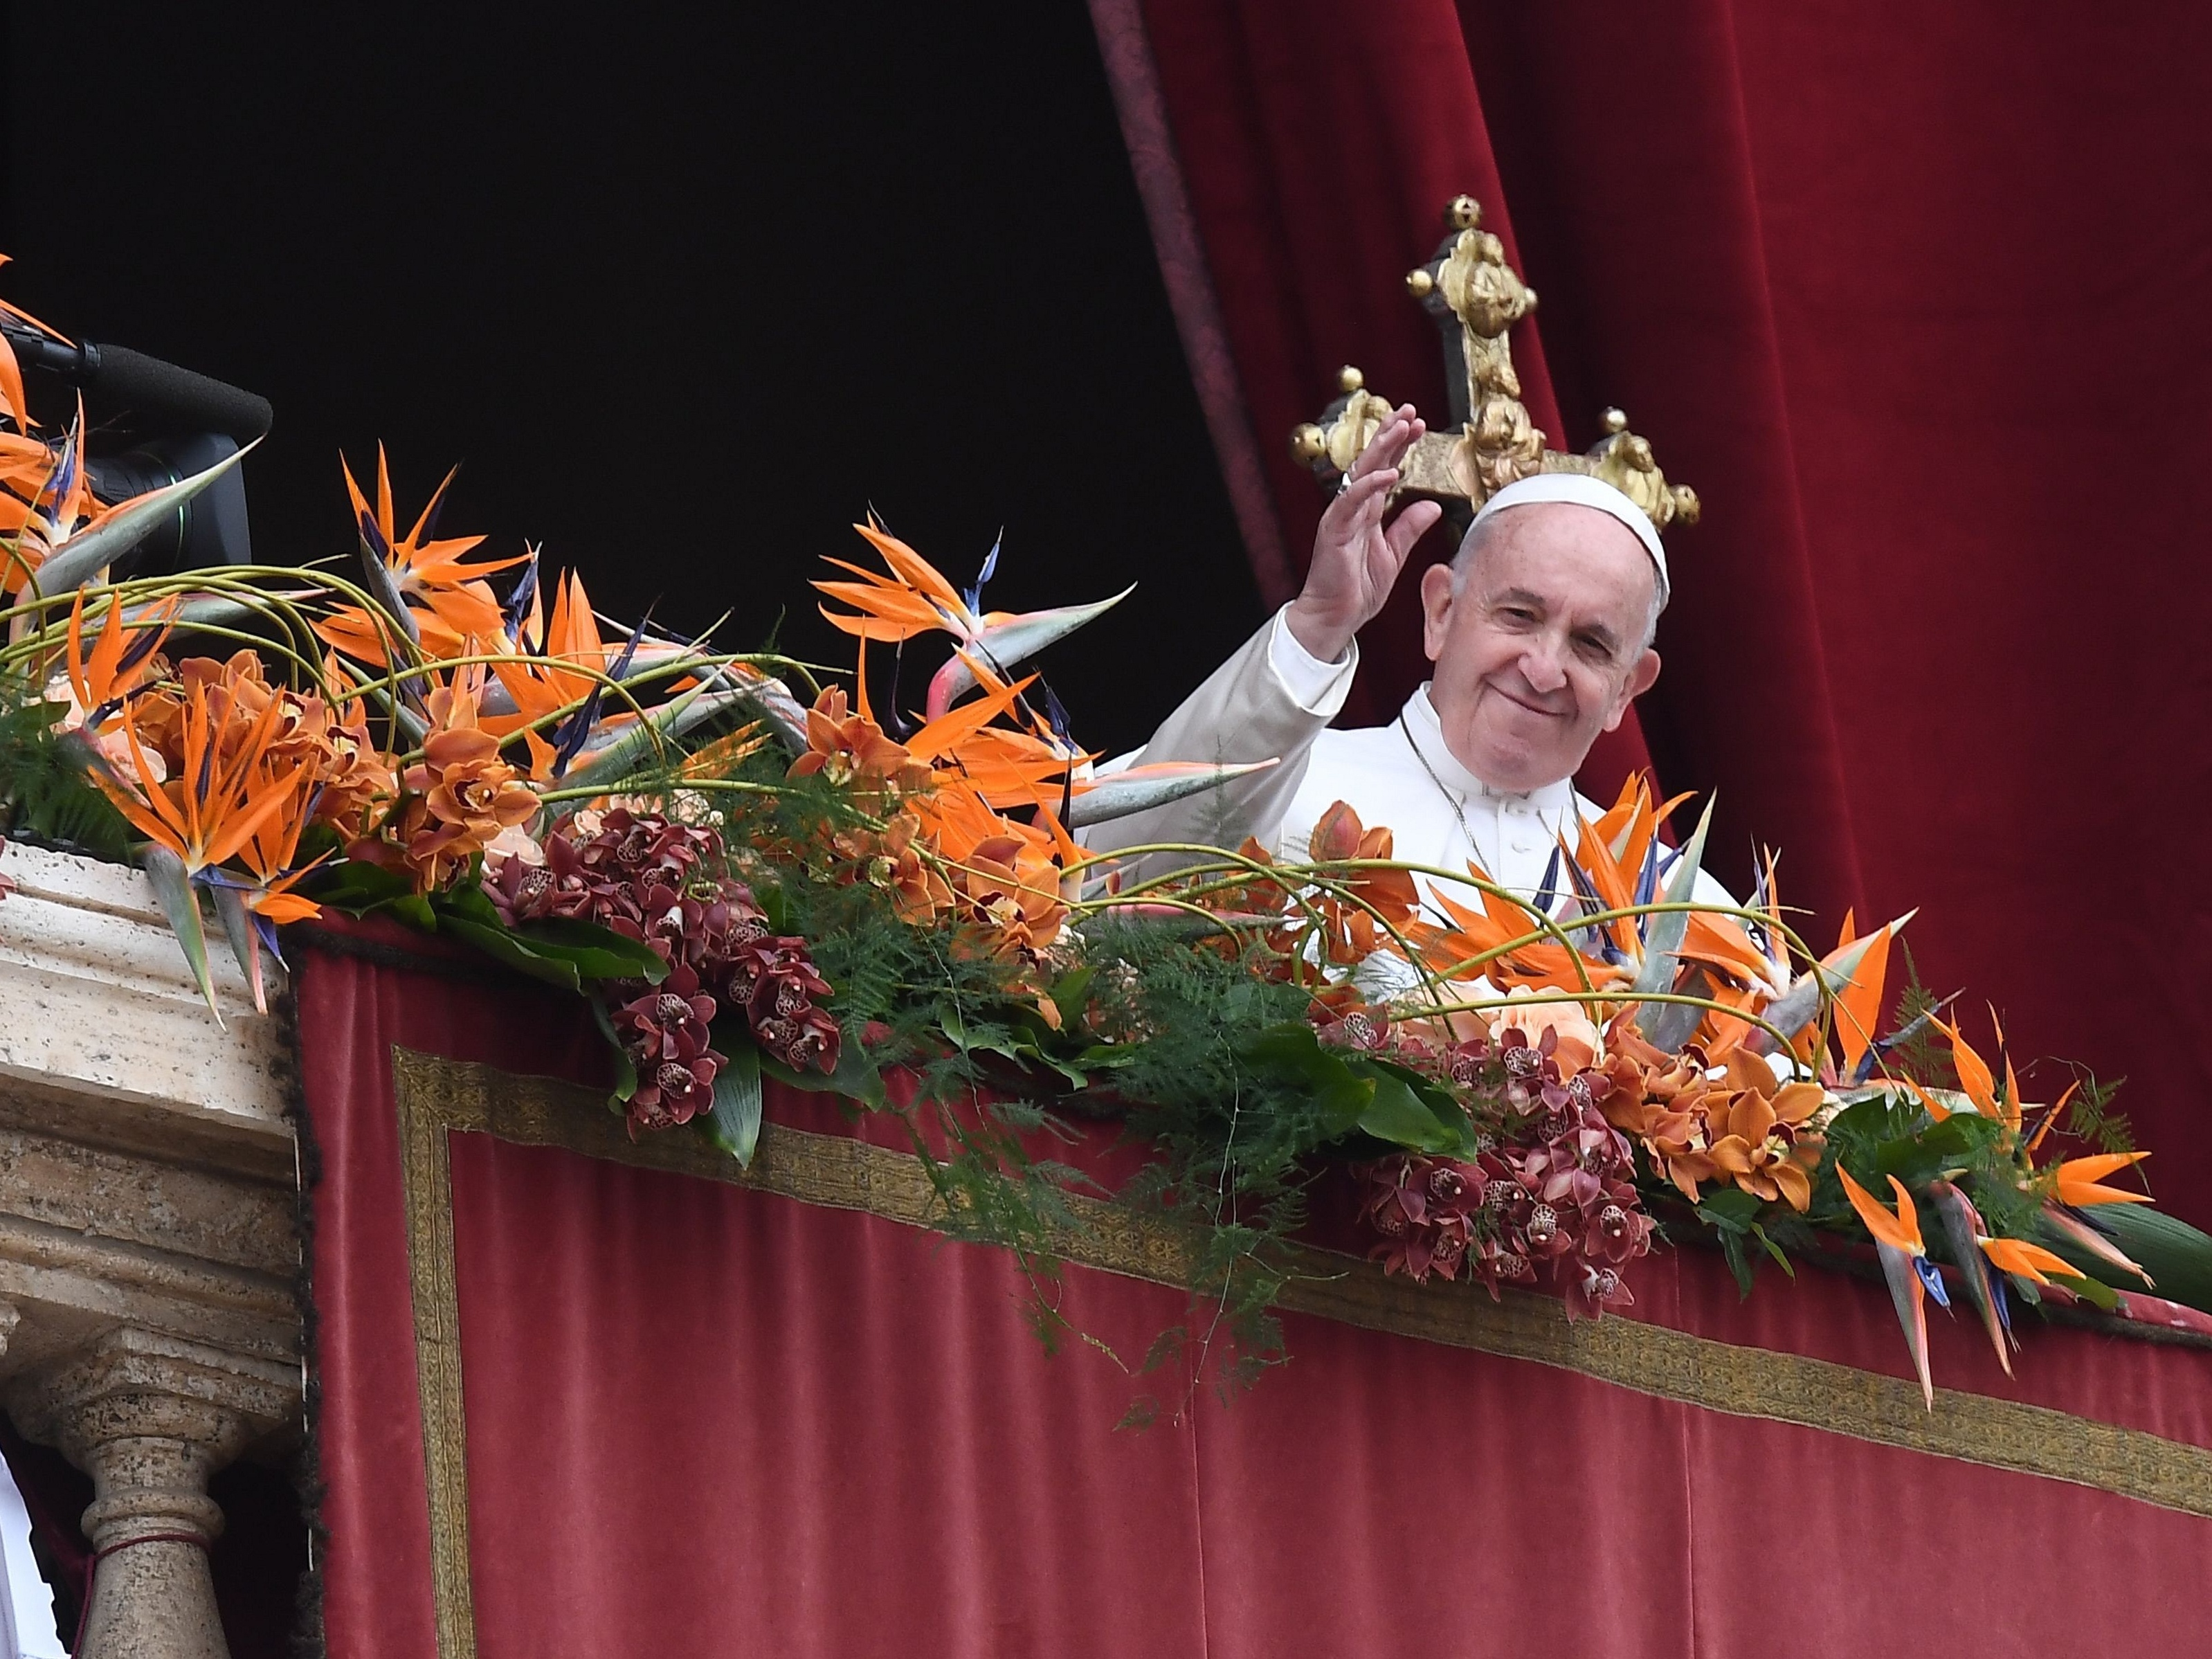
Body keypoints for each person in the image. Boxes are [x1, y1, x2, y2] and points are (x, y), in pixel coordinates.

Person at [1084, 405, 1728, 917]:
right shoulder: (1285, 789)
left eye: (1591, 644)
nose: (1543, 667)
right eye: (1519, 616)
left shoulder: (1685, 915)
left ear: (1626, 689)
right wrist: (1315, 627)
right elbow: (1108, 879)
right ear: (1441, 610)